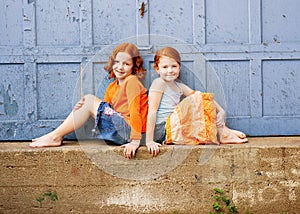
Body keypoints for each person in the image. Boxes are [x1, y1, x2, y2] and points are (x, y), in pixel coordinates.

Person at [30, 43, 148, 159]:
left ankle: (55, 136)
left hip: (130, 132)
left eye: (126, 64)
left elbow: (135, 111)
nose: (120, 67)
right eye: (117, 62)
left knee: (89, 100)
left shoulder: (132, 81)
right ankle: (55, 135)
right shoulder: (112, 87)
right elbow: (106, 110)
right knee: (87, 102)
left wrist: (135, 141)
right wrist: (83, 109)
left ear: (134, 67)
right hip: (119, 129)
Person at [146, 47, 248, 156]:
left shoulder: (178, 86)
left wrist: (221, 111)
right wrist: (149, 141)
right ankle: (224, 133)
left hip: (174, 124)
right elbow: (152, 112)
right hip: (163, 129)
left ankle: (223, 130)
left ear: (179, 67)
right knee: (195, 100)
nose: (170, 70)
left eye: (174, 66)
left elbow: (202, 97)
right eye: (165, 67)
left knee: (198, 96)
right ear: (157, 69)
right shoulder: (159, 83)